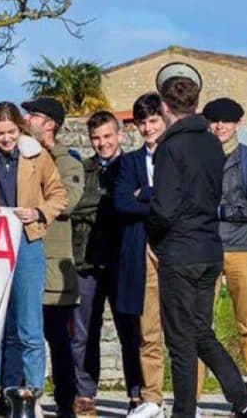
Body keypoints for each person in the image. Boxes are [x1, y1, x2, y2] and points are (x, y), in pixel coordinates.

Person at [147, 74, 247, 418]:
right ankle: (243, 401)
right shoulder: (211, 143)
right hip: (210, 248)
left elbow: (164, 207)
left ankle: (184, 413)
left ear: (164, 106)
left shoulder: (170, 146)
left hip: (180, 251)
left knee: (180, 342)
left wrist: (152, 233)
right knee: (200, 332)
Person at [0, 101, 67, 418]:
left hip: (27, 241)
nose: (6, 139)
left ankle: (34, 399)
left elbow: (59, 195)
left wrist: (38, 212)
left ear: (20, 129)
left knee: (30, 326)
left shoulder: (38, 156)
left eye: (11, 132)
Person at [70, 110, 143, 416]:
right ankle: (85, 395)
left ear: (120, 136)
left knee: (131, 332)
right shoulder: (82, 170)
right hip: (87, 261)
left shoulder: (134, 166)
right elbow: (74, 205)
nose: (102, 144)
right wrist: (120, 199)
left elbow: (142, 205)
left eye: (107, 137)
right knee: (83, 333)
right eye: (96, 138)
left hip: (124, 261)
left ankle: (137, 394)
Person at [23, 98, 84, 418]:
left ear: (50, 124)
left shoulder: (68, 162)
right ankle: (18, 399)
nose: (26, 119)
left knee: (59, 341)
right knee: (20, 338)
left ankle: (65, 404)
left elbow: (69, 201)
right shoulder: (20, 157)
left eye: (32, 115)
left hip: (54, 269)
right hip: (23, 262)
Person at [113, 93, 167, 418]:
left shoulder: (178, 156)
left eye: (153, 121)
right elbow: (121, 202)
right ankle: (153, 399)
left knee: (185, 330)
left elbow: (179, 200)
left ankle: (191, 401)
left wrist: (144, 193)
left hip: (175, 251)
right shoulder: (130, 162)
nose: (148, 128)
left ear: (164, 119)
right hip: (142, 250)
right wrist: (155, 199)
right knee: (148, 332)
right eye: (142, 122)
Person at [203, 98, 247, 376]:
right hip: (207, 247)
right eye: (214, 120)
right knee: (200, 325)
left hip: (243, 248)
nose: (219, 126)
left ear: (238, 124)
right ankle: (192, 400)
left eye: (226, 121)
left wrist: (221, 209)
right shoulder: (200, 157)